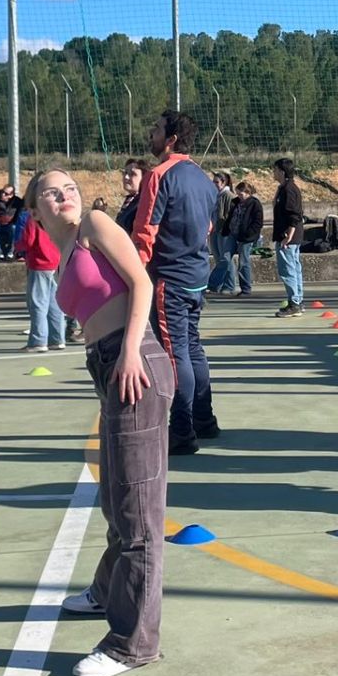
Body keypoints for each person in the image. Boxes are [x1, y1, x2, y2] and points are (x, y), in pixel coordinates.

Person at [37, 168, 175, 676]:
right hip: (109, 363)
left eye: (69, 186)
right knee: (115, 497)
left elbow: (141, 282)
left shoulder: (95, 223)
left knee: (137, 513)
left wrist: (132, 352)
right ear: (37, 211)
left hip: (132, 363)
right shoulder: (65, 252)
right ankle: (104, 591)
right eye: (52, 191)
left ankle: (131, 644)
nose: (65, 194)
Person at [131, 109, 219, 456]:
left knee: (175, 353)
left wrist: (134, 277)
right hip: (197, 276)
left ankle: (181, 430)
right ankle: (204, 419)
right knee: (193, 347)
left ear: (170, 139)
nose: (150, 135)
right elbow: (209, 227)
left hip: (171, 276)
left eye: (155, 130)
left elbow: (145, 231)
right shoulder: (202, 177)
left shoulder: (159, 175)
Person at [16, 186, 66, 353]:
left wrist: (18, 247)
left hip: (40, 263)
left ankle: (38, 340)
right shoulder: (56, 217)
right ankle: (57, 338)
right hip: (56, 261)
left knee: (38, 303)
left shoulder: (33, 219)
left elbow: (28, 241)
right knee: (55, 303)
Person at [271, 159, 306, 317]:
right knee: (294, 268)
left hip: (288, 236)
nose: (274, 172)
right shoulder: (284, 188)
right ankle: (298, 300)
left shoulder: (289, 189)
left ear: (282, 172)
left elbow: (294, 214)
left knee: (288, 270)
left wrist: (288, 236)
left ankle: (294, 303)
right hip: (288, 234)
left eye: (275, 170)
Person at [228, 178, 264, 295]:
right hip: (234, 234)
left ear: (248, 193)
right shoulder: (236, 202)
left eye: (241, 194)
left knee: (243, 262)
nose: (239, 196)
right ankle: (227, 284)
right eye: (237, 194)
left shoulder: (254, 204)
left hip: (246, 237)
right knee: (226, 257)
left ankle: (246, 288)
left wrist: (249, 234)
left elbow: (257, 222)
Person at [208, 171, 237, 294]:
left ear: (223, 182)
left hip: (224, 231)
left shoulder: (228, 195)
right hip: (214, 230)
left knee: (225, 259)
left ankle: (228, 285)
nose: (214, 184)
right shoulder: (216, 195)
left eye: (216, 182)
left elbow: (231, 214)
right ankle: (221, 284)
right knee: (218, 257)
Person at [114, 159, 145, 234]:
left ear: (144, 178)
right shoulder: (130, 200)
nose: (126, 177)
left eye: (132, 174)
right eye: (125, 173)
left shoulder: (143, 203)